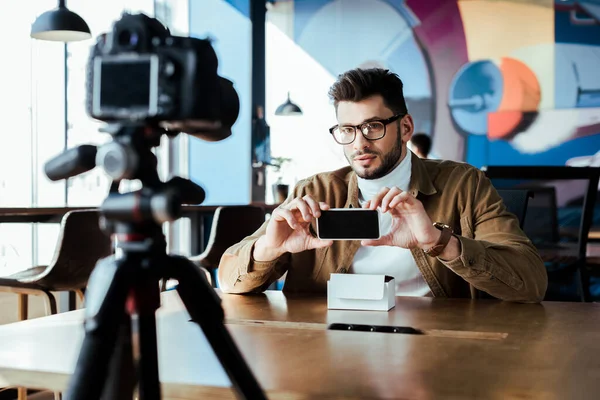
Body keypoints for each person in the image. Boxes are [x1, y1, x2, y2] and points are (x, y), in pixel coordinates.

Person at [218, 68, 547, 302]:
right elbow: (228, 279)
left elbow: (531, 283)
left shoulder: (465, 184)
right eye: (347, 129)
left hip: (438, 348)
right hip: (326, 347)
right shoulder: (314, 192)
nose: (359, 143)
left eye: (372, 126)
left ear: (405, 128)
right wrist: (269, 249)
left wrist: (439, 242)